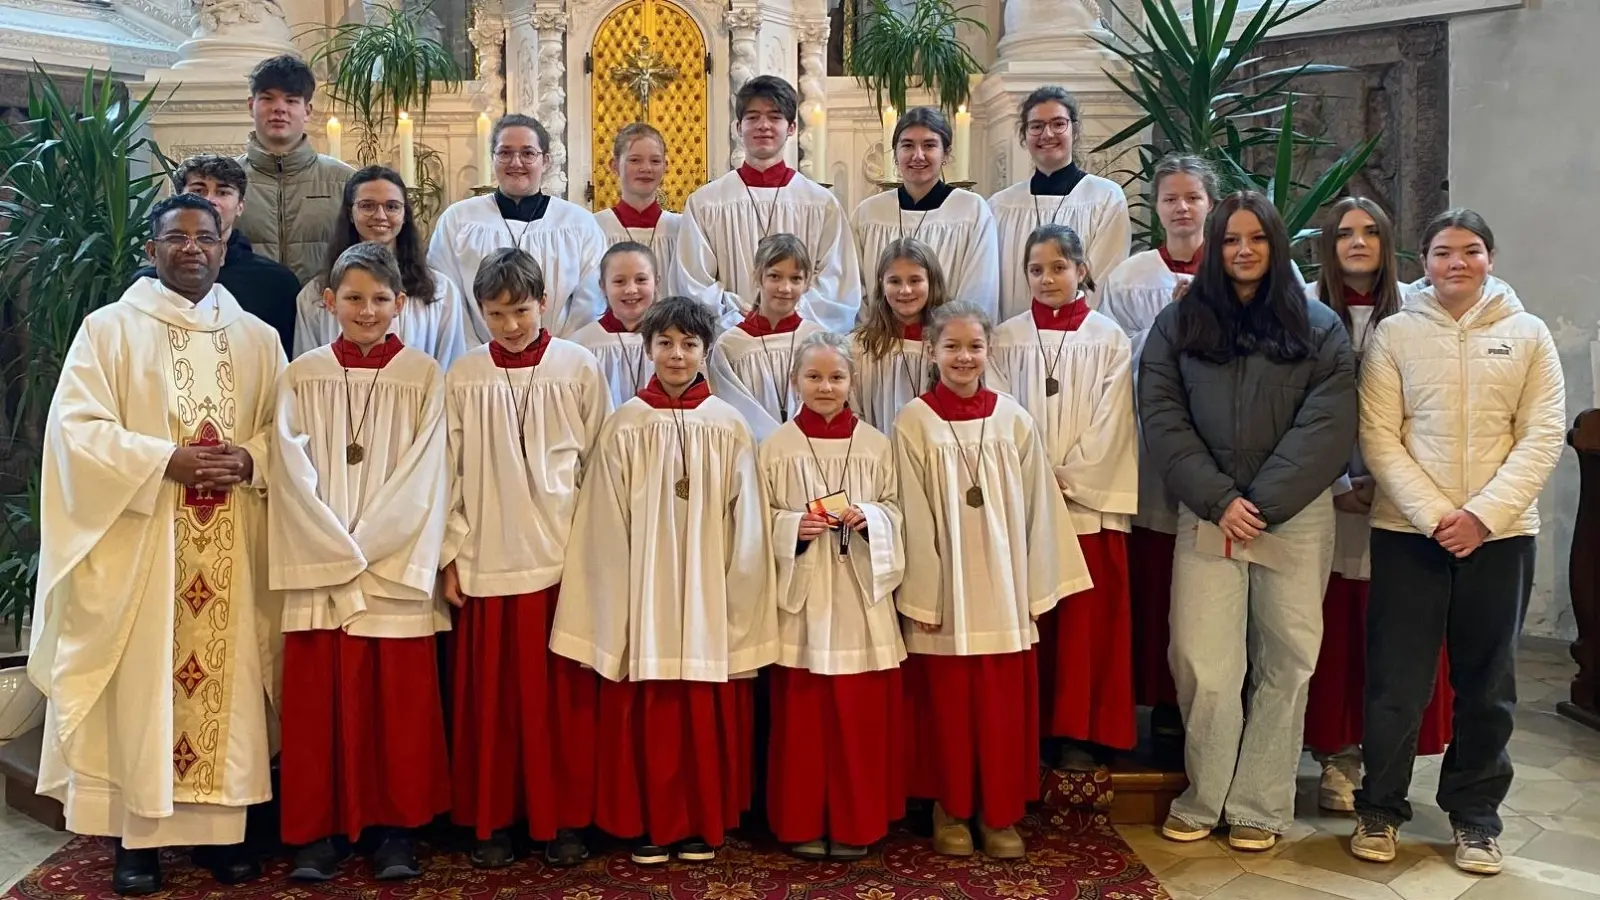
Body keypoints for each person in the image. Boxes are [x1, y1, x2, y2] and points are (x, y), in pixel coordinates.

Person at [30, 193, 284, 895]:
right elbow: (75, 431)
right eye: (177, 237)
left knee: (225, 685)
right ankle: (134, 840)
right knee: (143, 685)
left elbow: (285, 431)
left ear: (225, 249)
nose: (193, 248)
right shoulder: (109, 330)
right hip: (144, 541)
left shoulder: (258, 338)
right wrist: (160, 459)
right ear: (152, 248)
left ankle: (219, 836)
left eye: (206, 237)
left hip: (231, 537)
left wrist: (252, 459)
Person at [1139, 191, 1357, 852]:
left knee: (1286, 661)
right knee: (1204, 660)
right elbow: (1162, 414)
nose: (1242, 250)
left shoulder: (1318, 326)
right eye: (1230, 239)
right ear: (1215, 246)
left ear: (1275, 244)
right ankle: (1204, 796)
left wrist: (1262, 500)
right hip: (1210, 512)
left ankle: (1259, 804)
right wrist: (1219, 499)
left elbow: (1329, 423)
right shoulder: (1178, 325)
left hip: (1291, 515)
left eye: (1255, 238)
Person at [1351, 209, 1565, 876]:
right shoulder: (1395, 334)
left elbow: (1542, 434)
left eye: (1470, 251)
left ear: (1490, 259)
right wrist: (1438, 515)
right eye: (1444, 252)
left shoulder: (1527, 335)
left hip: (1499, 536)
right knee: (1398, 682)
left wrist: (1482, 517)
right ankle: (1380, 808)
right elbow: (1379, 435)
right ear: (1424, 261)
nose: (1457, 263)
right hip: (1409, 532)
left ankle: (1476, 819)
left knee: (1487, 684)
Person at [551, 296, 777, 866]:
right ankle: (648, 819)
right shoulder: (625, 423)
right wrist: (618, 603)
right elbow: (604, 519)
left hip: (708, 586)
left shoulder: (728, 425)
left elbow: (746, 520)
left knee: (703, 702)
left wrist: (736, 594)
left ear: (706, 351)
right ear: (648, 349)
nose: (677, 355)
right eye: (665, 344)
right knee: (646, 703)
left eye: (690, 344)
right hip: (643, 587)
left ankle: (701, 818)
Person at [268, 242, 451, 881]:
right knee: (318, 705)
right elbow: (288, 470)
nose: (366, 310)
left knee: (396, 706)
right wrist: (334, 548)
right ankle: (317, 832)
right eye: (352, 299)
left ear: (400, 304)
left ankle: (394, 831)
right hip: (321, 565)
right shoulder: (301, 374)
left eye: (379, 299)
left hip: (390, 568)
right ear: (328, 303)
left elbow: (428, 475)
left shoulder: (425, 376)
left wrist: (364, 548)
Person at [895, 301, 1090, 860]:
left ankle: (999, 811)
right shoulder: (914, 420)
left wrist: (1034, 588)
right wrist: (922, 594)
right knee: (949, 707)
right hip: (947, 595)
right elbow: (911, 510)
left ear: (988, 352)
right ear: (932, 352)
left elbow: (1039, 508)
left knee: (1002, 708)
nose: (963, 357)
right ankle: (951, 808)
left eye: (974, 346)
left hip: (1003, 590)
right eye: (951, 347)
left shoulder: (1012, 417)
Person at [440, 248, 610, 869]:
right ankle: (493, 820)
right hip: (487, 553)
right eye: (496, 313)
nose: (510, 325)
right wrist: (449, 554)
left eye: (521, 310)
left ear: (543, 301)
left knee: (560, 703)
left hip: (563, 554)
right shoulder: (463, 375)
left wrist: (595, 554)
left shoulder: (577, 365)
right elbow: (448, 472)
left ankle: (561, 819)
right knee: (494, 703)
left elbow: (600, 461)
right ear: (479, 311)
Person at [1302, 197, 1454, 813]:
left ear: (1388, 242)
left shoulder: (1419, 312)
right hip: (1327, 494)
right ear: (1329, 246)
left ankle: (1383, 752)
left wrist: (1390, 484)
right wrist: (1339, 482)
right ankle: (1337, 752)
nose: (1357, 243)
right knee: (1337, 624)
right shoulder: (1309, 311)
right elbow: (1302, 408)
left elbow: (1436, 408)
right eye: (1344, 233)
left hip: (1402, 496)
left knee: (1394, 626)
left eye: (1370, 232)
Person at [989, 224, 1138, 770]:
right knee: (1035, 620)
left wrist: (1067, 479)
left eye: (1058, 267)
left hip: (1088, 507)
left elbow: (1113, 424)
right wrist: (1032, 477)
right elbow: (1001, 414)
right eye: (1036, 269)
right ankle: (1030, 722)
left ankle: (1079, 728)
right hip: (1025, 501)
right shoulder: (1003, 339)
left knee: (1084, 623)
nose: (1047, 279)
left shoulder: (1109, 338)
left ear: (1081, 269)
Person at [761, 332, 906, 861]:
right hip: (803, 601)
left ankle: (856, 820)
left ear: (853, 381)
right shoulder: (775, 447)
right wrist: (788, 528)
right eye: (814, 377)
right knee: (803, 721)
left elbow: (897, 507)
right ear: (795, 381)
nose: (825, 387)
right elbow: (759, 521)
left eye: (836, 377)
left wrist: (874, 518)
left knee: (858, 720)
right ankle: (802, 818)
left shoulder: (876, 444)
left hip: (859, 599)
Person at [1097, 154, 1215, 760]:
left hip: (1218, 450)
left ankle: (1195, 701)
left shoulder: (1235, 266)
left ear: (1209, 204)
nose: (1181, 208)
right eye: (1170, 198)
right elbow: (1112, 358)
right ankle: (1156, 700)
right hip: (1148, 445)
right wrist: (1169, 322)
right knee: (1154, 576)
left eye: (1192, 197)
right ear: (1155, 206)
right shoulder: (1131, 276)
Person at [675, 75, 861, 332]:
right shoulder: (706, 203)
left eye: (774, 117)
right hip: (733, 343)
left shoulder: (821, 204)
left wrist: (786, 317)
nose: (763, 125)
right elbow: (692, 284)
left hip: (801, 348)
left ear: (792, 127)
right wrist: (743, 321)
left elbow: (837, 285)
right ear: (738, 127)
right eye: (753, 117)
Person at [430, 114, 608, 342]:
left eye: (528, 153)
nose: (516, 163)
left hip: (558, 364)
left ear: (546, 161)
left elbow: (590, 303)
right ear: (492, 159)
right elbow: (447, 297)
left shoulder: (579, 224)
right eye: (505, 153)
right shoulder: (458, 220)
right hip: (479, 363)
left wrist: (557, 354)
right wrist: (477, 354)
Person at [293, 166, 469, 367]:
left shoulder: (440, 291)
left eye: (392, 206)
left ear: (404, 215)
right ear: (350, 213)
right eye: (367, 206)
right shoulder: (315, 295)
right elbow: (307, 371)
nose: (380, 215)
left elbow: (449, 368)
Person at [130, 154, 301, 355]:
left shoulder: (277, 283)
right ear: (179, 200)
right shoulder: (149, 282)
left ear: (240, 206)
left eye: (222, 192)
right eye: (198, 191)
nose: (210, 200)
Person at [988, 86, 1129, 321]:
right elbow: (994, 286)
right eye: (1036, 126)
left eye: (1058, 123)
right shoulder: (1001, 206)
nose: (1047, 134)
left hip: (1079, 339)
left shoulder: (1105, 198)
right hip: (1014, 341)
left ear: (1074, 130)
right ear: (1024, 136)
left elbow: (1104, 277)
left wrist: (1063, 332)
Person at [851, 107, 999, 318]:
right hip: (881, 345)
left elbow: (980, 290)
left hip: (946, 345)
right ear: (895, 154)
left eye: (929, 145)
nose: (918, 155)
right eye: (908, 146)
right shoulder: (869, 213)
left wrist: (950, 340)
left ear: (945, 153)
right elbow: (855, 290)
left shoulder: (971, 210)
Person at [236, 54, 355, 284]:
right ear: (252, 106)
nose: (279, 109)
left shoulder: (344, 180)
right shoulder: (226, 181)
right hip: (244, 314)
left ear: (307, 111)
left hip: (322, 310)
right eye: (268, 99)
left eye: (291, 101)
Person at [709, 233, 827, 440]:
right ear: (757, 277)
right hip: (750, 449)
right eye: (775, 276)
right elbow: (732, 408)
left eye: (796, 278)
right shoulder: (730, 345)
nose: (785, 288)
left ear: (807, 283)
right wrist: (775, 443)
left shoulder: (816, 340)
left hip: (807, 450)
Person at [850, 238, 949, 431]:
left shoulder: (949, 345)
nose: (905, 290)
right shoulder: (859, 347)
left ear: (932, 281)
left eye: (915, 280)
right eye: (894, 281)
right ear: (881, 284)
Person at [570, 241, 660, 408]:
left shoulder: (671, 342)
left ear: (656, 283)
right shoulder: (581, 345)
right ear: (603, 286)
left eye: (641, 279)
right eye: (619, 281)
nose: (631, 289)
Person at [595, 123, 682, 268]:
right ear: (614, 165)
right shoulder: (595, 227)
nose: (646, 168)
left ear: (665, 166)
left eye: (655, 161)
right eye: (635, 160)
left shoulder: (681, 228)